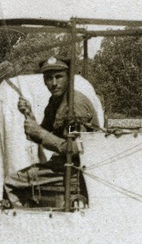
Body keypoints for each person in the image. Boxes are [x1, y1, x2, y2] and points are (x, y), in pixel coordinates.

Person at [7, 56, 98, 207]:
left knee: (12, 182)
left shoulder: (74, 106)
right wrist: (29, 114)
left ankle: (23, 221)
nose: (54, 83)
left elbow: (77, 148)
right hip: (60, 165)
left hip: (75, 169)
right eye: (49, 78)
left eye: (59, 77)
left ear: (69, 77)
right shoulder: (55, 101)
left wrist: (41, 134)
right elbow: (42, 132)